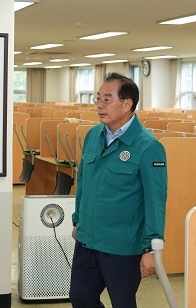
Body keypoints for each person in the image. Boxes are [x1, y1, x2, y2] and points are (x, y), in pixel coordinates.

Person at [69, 72, 168, 308]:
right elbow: (83, 181)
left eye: (107, 99)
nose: (100, 105)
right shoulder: (94, 135)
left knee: (122, 303)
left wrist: (151, 249)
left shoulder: (148, 146)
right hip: (88, 239)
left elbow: (155, 200)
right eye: (98, 99)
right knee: (80, 297)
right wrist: (77, 219)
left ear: (127, 104)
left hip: (122, 245)